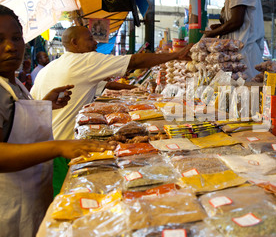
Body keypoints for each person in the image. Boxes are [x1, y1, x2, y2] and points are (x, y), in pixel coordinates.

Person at [0, 4, 116, 237]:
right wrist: (59, 146)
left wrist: (44, 104)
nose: (10, 46)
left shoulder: (9, 81)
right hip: (5, 207)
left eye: (16, 38)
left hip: (31, 194)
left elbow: (11, 121)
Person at [30, 25, 193, 196]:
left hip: (45, 146)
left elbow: (104, 85)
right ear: (74, 43)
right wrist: (176, 54)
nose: (95, 43)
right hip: (65, 148)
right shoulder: (85, 60)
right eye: (90, 39)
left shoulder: (50, 67)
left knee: (59, 195)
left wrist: (131, 88)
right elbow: (135, 61)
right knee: (71, 201)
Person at [201, 0, 265, 81]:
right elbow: (236, 21)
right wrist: (220, 27)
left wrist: (213, 33)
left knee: (246, 94)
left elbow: (236, 22)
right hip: (239, 53)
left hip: (245, 52)